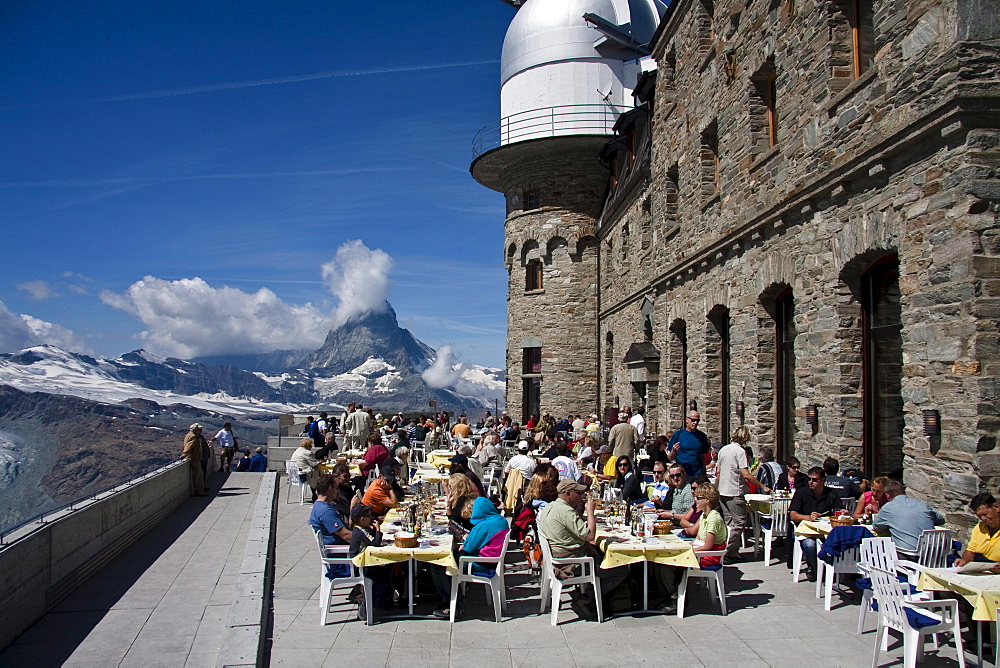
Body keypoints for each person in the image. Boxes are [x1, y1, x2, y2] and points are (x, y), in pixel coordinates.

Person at [537, 479, 629, 619]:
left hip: (557, 558)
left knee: (599, 553)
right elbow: (590, 535)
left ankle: (592, 596)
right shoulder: (566, 511)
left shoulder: (551, 506)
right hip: (570, 563)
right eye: (578, 493)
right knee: (621, 568)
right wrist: (590, 511)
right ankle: (587, 598)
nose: (581, 496)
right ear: (568, 494)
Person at [430, 495, 510, 619]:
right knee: (452, 556)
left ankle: (454, 604)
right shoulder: (500, 520)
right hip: (492, 560)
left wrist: (466, 540)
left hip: (482, 563)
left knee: (439, 564)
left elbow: (469, 547)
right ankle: (451, 597)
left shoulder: (484, 525)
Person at [715, 426, 770, 563]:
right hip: (734, 491)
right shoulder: (740, 452)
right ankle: (727, 551)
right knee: (739, 523)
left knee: (729, 523)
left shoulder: (724, 450)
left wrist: (717, 487)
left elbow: (718, 471)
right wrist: (762, 486)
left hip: (722, 490)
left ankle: (732, 552)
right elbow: (745, 474)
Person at [789, 467, 845, 579]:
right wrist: (808, 517)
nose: (811, 482)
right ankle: (818, 570)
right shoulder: (802, 493)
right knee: (810, 545)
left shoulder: (831, 493)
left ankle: (834, 569)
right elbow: (792, 515)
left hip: (825, 530)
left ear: (823, 480)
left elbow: (839, 509)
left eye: (815, 480)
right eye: (809, 479)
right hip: (807, 530)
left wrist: (843, 512)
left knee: (840, 542)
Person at [871, 480, 946, 554]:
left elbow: (877, 526)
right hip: (934, 554)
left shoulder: (888, 507)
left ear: (887, 495)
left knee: (881, 550)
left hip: (909, 555)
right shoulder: (921, 504)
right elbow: (941, 519)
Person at [348, 504, 391, 617]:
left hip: (364, 561)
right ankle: (367, 606)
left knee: (386, 571)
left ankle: (380, 601)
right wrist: (377, 529)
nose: (372, 518)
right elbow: (375, 543)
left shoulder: (361, 529)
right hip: (359, 566)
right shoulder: (360, 532)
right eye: (369, 516)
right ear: (362, 519)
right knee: (380, 578)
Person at [309, 475, 353, 579]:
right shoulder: (326, 512)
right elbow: (346, 535)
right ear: (330, 489)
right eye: (336, 488)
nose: (338, 492)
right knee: (381, 567)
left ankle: (360, 592)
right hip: (341, 561)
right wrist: (369, 540)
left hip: (341, 554)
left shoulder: (319, 506)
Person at [955, 493, 1000, 569]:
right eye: (979, 516)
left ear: (996, 507)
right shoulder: (979, 528)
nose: (982, 518)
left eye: (985, 514)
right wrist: (965, 560)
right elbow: (970, 551)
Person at [667, 411, 710, 477]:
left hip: (697, 474)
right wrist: (674, 451)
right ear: (687, 420)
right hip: (682, 474)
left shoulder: (702, 436)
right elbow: (670, 458)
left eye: (697, 421)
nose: (695, 423)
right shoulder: (678, 434)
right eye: (693, 420)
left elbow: (702, 456)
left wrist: (704, 474)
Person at [181, 423, 208, 496]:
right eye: (198, 429)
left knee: (199, 475)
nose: (200, 431)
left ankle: (200, 490)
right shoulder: (193, 437)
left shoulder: (188, 435)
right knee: (198, 475)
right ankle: (199, 491)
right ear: (195, 429)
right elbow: (189, 446)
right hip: (195, 458)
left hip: (195, 457)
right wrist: (185, 453)